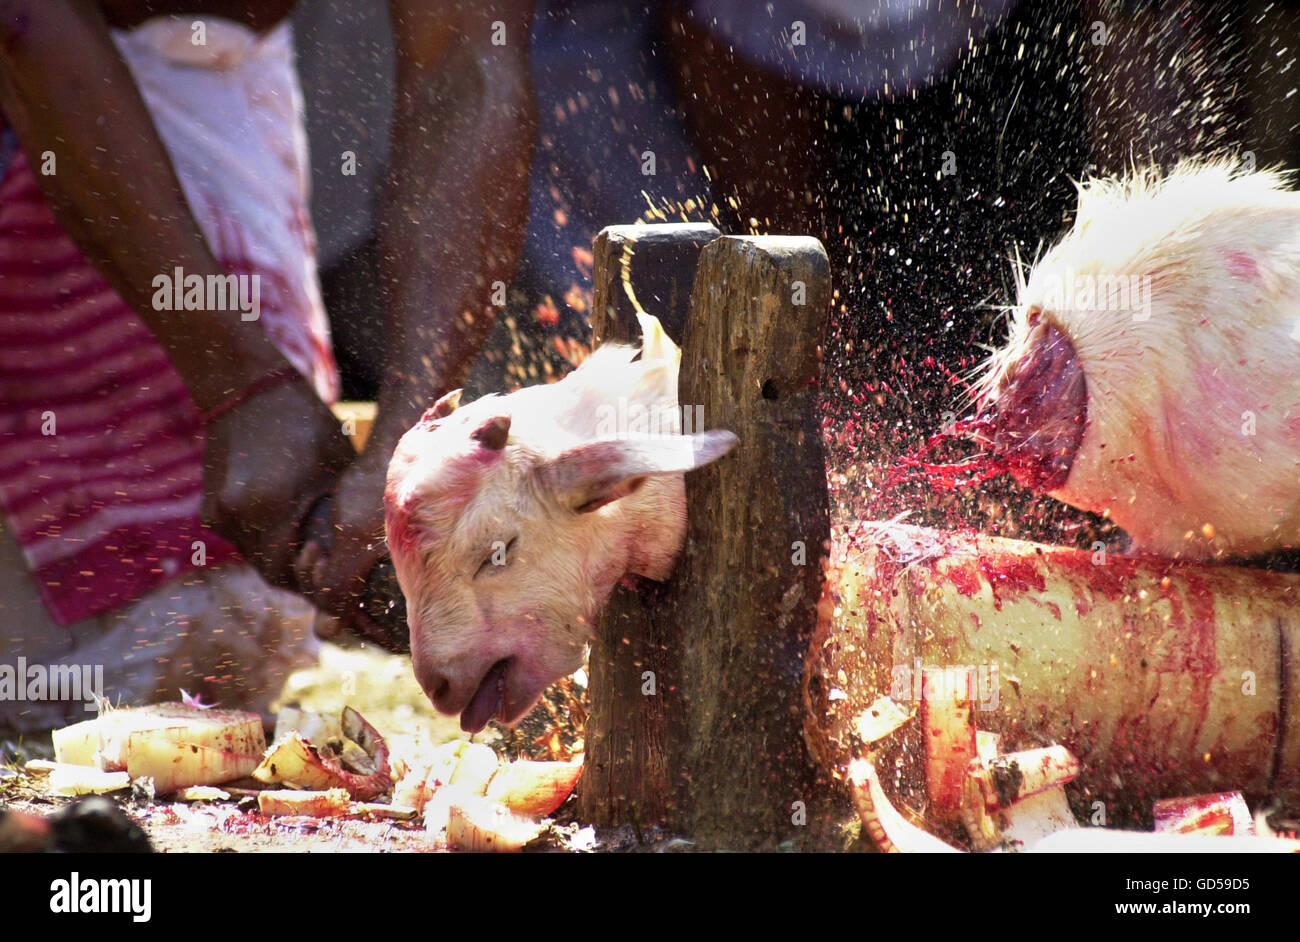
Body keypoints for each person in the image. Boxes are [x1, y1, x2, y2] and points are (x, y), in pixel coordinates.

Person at [0, 0, 536, 733]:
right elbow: (26, 21)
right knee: (147, 639)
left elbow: (465, 59)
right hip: (37, 108)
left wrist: (404, 450)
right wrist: (238, 384)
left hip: (225, 103)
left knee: (235, 623)